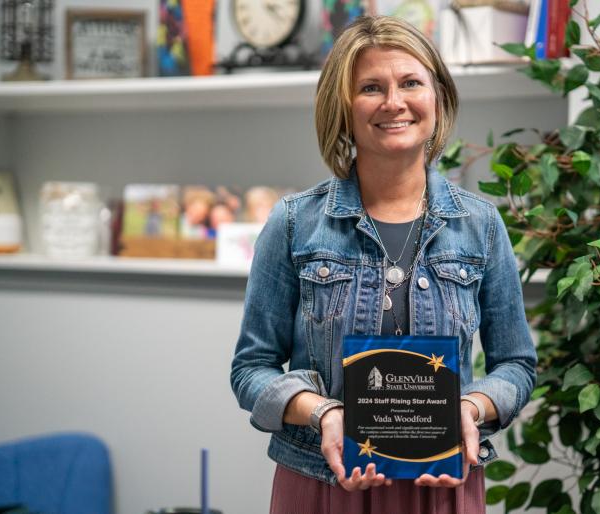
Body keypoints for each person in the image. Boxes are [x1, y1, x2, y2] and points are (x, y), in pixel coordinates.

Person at [230, 15, 537, 514]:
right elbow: (251, 370)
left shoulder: (481, 225)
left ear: (437, 96)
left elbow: (516, 365)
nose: (394, 102)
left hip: (444, 487)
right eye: (371, 87)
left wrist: (468, 407)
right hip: (322, 484)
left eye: (411, 83)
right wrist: (324, 414)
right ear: (343, 108)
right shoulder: (293, 224)